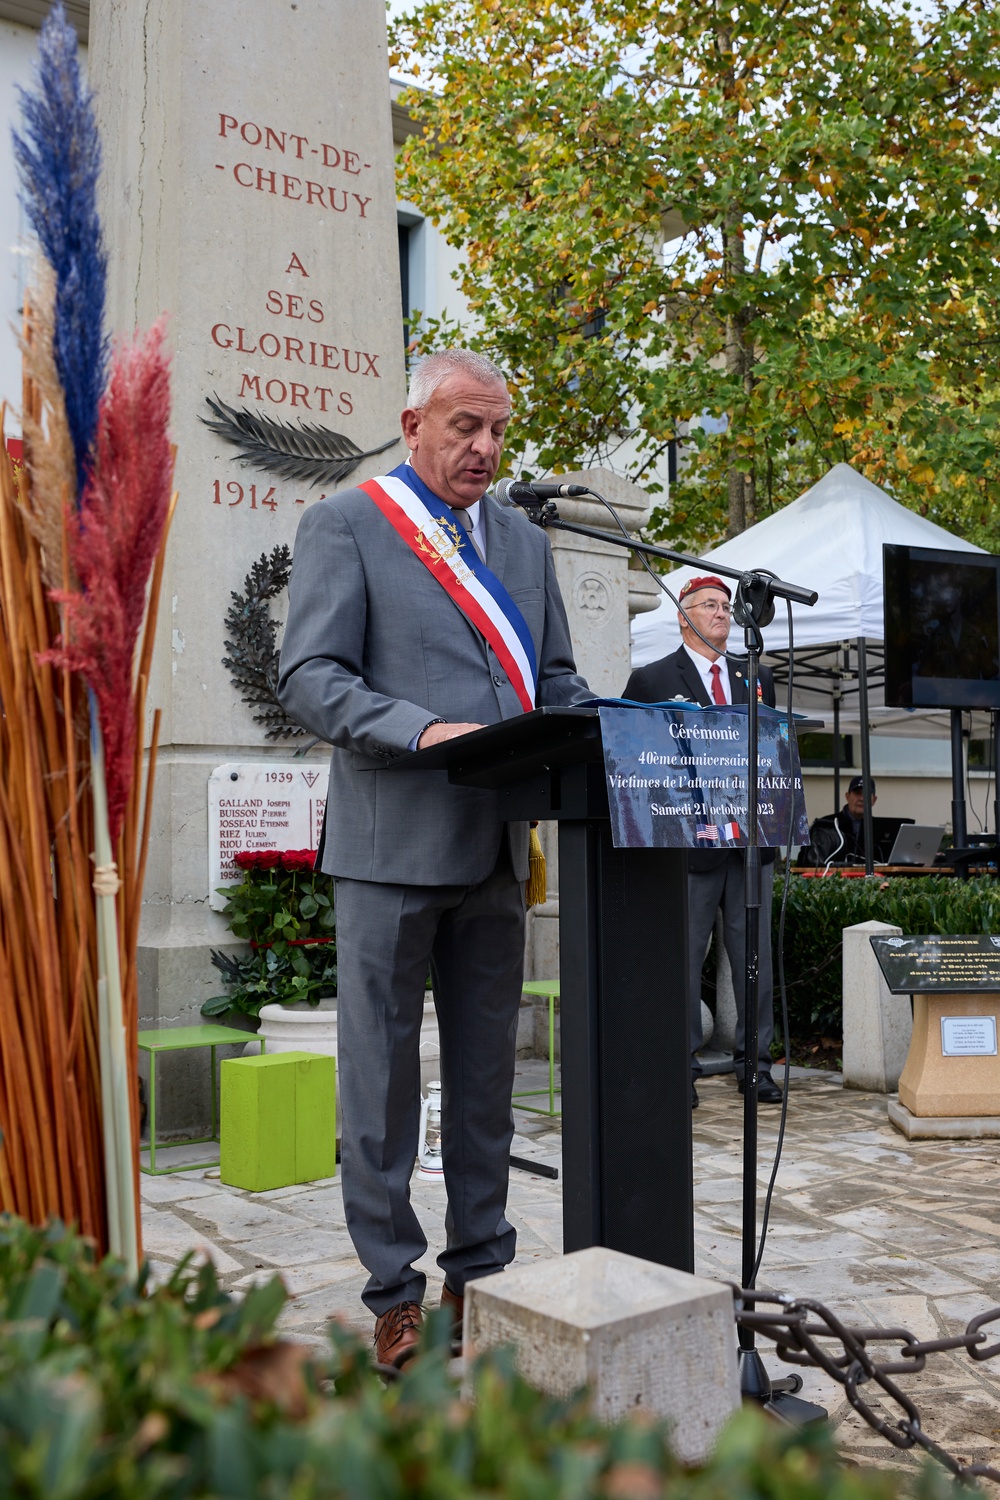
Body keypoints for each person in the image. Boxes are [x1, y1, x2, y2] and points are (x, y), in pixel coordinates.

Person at [277, 349, 590, 1369]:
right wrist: (421, 731)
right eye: (464, 427)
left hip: (498, 849)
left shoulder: (523, 544)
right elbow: (311, 677)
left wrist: (603, 730)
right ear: (412, 425)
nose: (486, 449)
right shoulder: (350, 525)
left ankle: (482, 1269)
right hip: (388, 848)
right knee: (379, 1087)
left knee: (487, 1081)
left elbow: (556, 679)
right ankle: (393, 1292)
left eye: (498, 430)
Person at [622, 576, 782, 1107]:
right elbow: (632, 760)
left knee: (753, 959)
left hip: (748, 844)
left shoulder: (755, 676)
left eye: (725, 605)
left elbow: (772, 754)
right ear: (683, 616)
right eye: (709, 605)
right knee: (682, 962)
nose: (721, 613)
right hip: (686, 849)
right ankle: (679, 1065)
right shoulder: (650, 679)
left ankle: (755, 1065)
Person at [798, 776, 877, 867]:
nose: (862, 798)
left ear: (874, 800)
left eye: (866, 794)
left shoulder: (880, 828)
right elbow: (804, 863)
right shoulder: (824, 825)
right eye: (857, 793)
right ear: (847, 796)